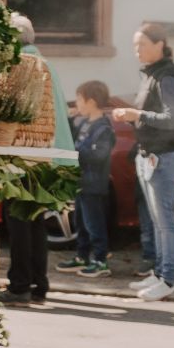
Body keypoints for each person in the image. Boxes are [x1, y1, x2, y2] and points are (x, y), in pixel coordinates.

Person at [113, 23, 174, 300]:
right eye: (135, 45)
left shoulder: (167, 76)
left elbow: (173, 119)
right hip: (148, 155)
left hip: (163, 157)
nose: (137, 50)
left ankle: (167, 279)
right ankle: (158, 274)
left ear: (159, 45)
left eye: (141, 44)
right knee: (157, 220)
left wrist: (137, 115)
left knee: (165, 221)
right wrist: (133, 115)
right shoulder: (152, 73)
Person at [1, 13, 52, 302]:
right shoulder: (44, 62)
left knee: (19, 220)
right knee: (36, 220)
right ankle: (39, 283)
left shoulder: (20, 64)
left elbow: (10, 111)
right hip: (43, 152)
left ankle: (20, 284)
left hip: (20, 151)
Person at [69, 81, 115, 275]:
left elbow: (99, 156)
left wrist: (77, 152)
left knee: (93, 224)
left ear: (92, 102)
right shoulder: (84, 123)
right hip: (82, 182)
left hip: (93, 184)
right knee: (80, 222)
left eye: (80, 99)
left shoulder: (103, 128)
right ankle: (82, 256)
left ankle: (100, 260)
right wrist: (69, 120)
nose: (76, 103)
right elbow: (71, 140)